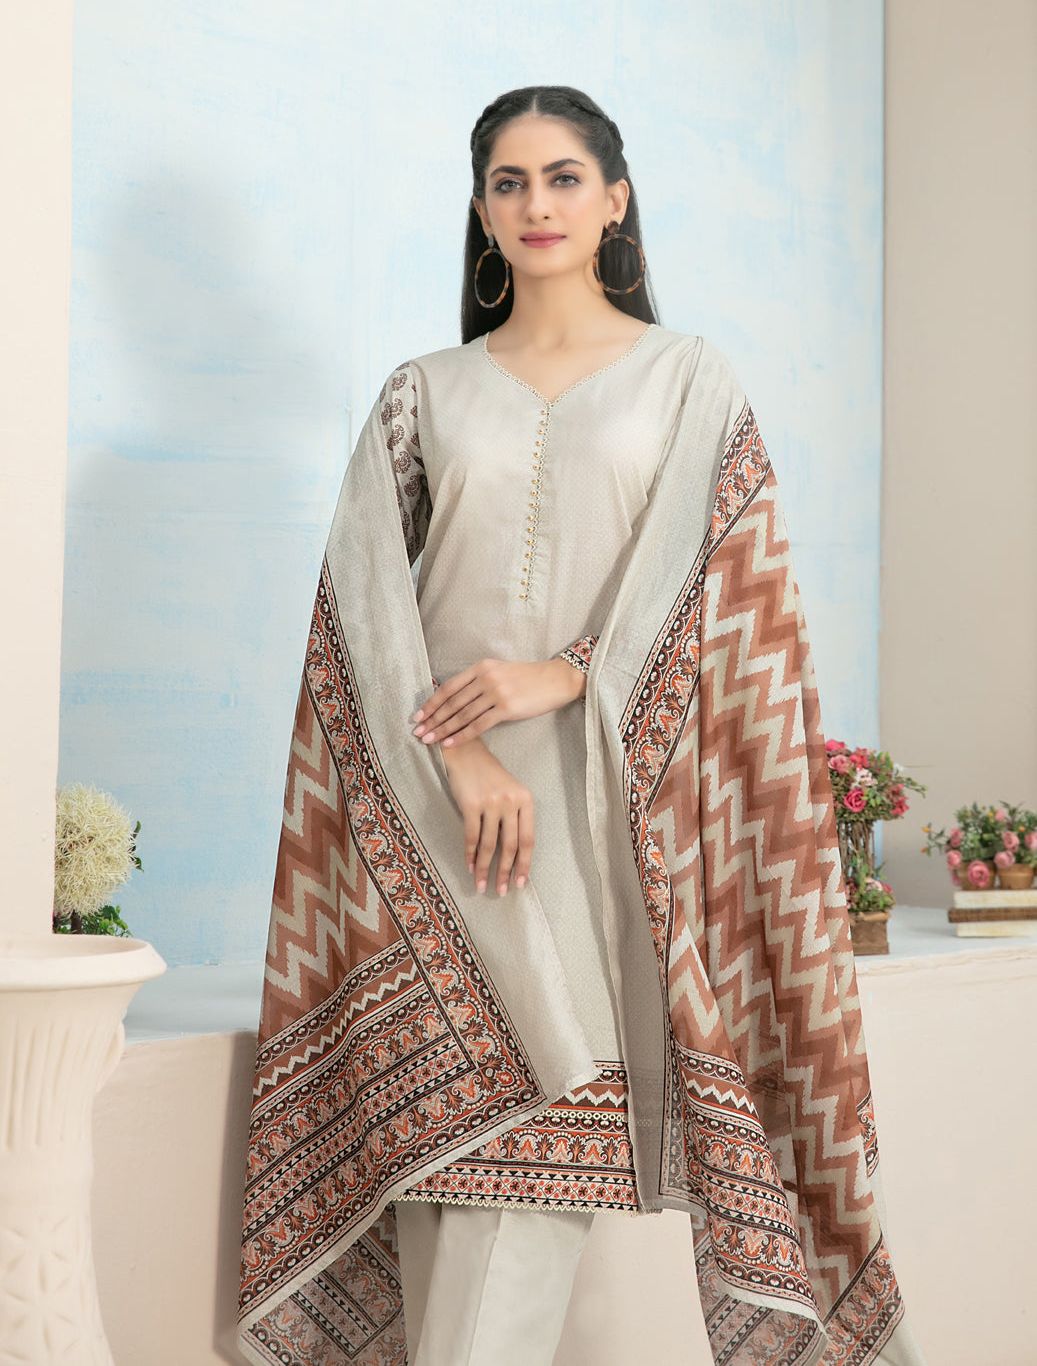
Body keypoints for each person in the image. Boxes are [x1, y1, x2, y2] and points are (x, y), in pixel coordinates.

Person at [236, 86, 926, 1366]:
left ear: (614, 199)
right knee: (455, 1192)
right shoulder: (422, 392)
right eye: (507, 182)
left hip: (603, 829)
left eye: (561, 177)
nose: (535, 203)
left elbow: (727, 595)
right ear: (480, 210)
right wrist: (460, 751)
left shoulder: (687, 381)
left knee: (512, 1193)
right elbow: (360, 619)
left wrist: (564, 675)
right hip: (431, 825)